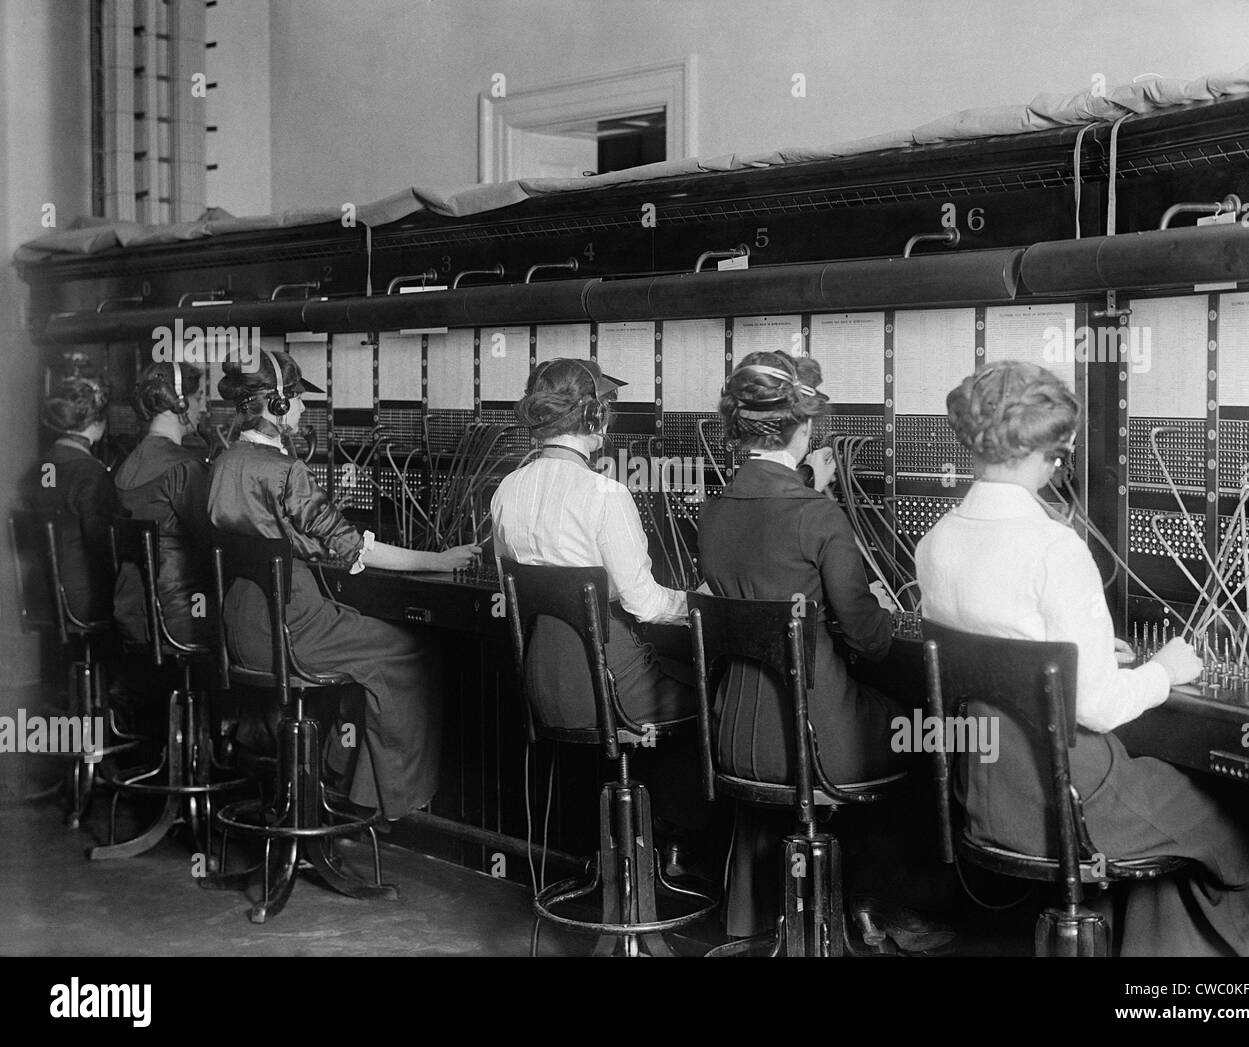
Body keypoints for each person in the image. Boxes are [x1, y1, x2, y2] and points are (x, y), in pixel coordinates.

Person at [915, 359, 1249, 956]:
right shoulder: (1054, 549)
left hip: (983, 794)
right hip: (1076, 799)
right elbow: (1100, 709)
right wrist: (1166, 668)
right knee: (1246, 837)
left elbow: (1003, 644)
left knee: (1177, 834)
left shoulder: (936, 542)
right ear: (1046, 452)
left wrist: (1075, 658)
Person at [697, 350, 932, 941]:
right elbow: (871, 642)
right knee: (926, 730)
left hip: (732, 739)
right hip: (816, 743)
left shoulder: (713, 513)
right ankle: (877, 907)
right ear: (804, 428)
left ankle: (790, 917)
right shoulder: (818, 515)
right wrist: (876, 602)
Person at [207, 348, 478, 820]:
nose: (304, 409)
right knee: (410, 651)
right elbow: (357, 548)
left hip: (239, 630)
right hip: (291, 629)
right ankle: (381, 801)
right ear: (276, 403)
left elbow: (271, 536)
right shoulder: (284, 470)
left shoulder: (224, 462)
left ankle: (337, 780)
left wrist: (310, 549)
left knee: (362, 654)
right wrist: (439, 558)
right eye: (296, 399)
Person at [490, 358, 716, 871]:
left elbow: (517, 582)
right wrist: (701, 600)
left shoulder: (507, 490)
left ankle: (631, 857)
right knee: (717, 696)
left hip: (543, 687)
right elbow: (644, 603)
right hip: (612, 691)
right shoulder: (605, 495)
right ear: (594, 420)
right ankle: (670, 852)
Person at [114, 361, 213, 648]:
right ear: (180, 403)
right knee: (251, 624)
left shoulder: (127, 464)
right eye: (198, 400)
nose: (200, 410)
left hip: (133, 612)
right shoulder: (184, 469)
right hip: (184, 615)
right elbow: (214, 540)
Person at [25, 377, 115, 625]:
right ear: (97, 423)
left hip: (39, 593)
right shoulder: (91, 472)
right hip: (80, 600)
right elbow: (102, 544)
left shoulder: (40, 468)